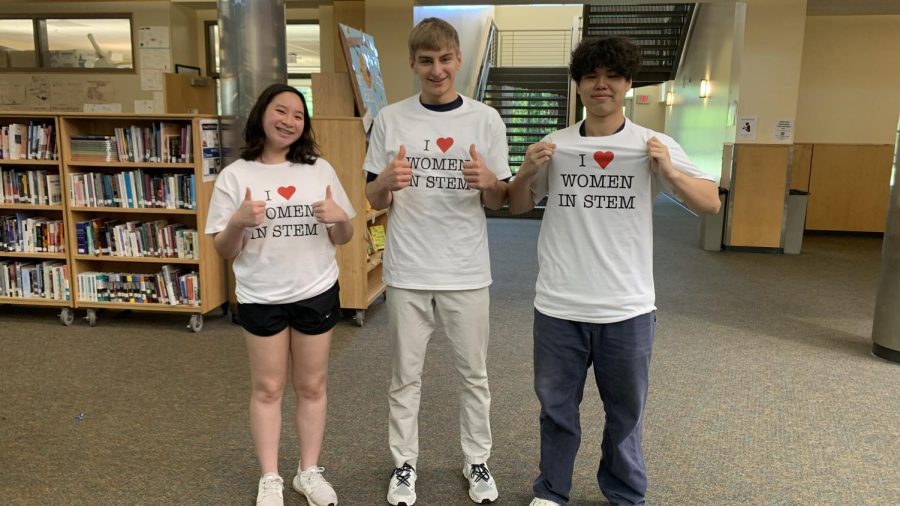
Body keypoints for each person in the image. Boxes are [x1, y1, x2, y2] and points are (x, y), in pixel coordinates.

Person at [507, 37, 721, 506]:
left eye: (612, 76)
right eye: (590, 76)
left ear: (627, 83)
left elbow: (709, 203)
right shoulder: (554, 145)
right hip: (559, 305)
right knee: (556, 409)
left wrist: (671, 172)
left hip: (627, 307)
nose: (601, 85)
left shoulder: (653, 144)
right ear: (579, 84)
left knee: (625, 412)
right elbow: (520, 205)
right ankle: (551, 491)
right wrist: (524, 173)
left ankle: (624, 492)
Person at [363, 17, 511, 506]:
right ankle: (404, 464)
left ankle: (477, 459)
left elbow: (499, 202)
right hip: (407, 271)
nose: (436, 69)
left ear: (458, 61)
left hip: (466, 271)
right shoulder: (390, 118)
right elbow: (371, 196)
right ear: (413, 64)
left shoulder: (485, 120)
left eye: (445, 59)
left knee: (474, 374)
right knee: (404, 377)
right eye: (426, 61)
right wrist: (386, 182)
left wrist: (489, 181)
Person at [205, 83, 355, 506]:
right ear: (262, 114)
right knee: (268, 387)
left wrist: (340, 217)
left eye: (298, 115)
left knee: (312, 385)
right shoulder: (237, 175)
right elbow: (223, 248)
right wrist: (236, 222)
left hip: (315, 289)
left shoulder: (319, 170)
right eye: (281, 111)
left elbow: (343, 236)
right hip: (260, 293)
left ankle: (308, 471)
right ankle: (270, 476)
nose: (289, 121)